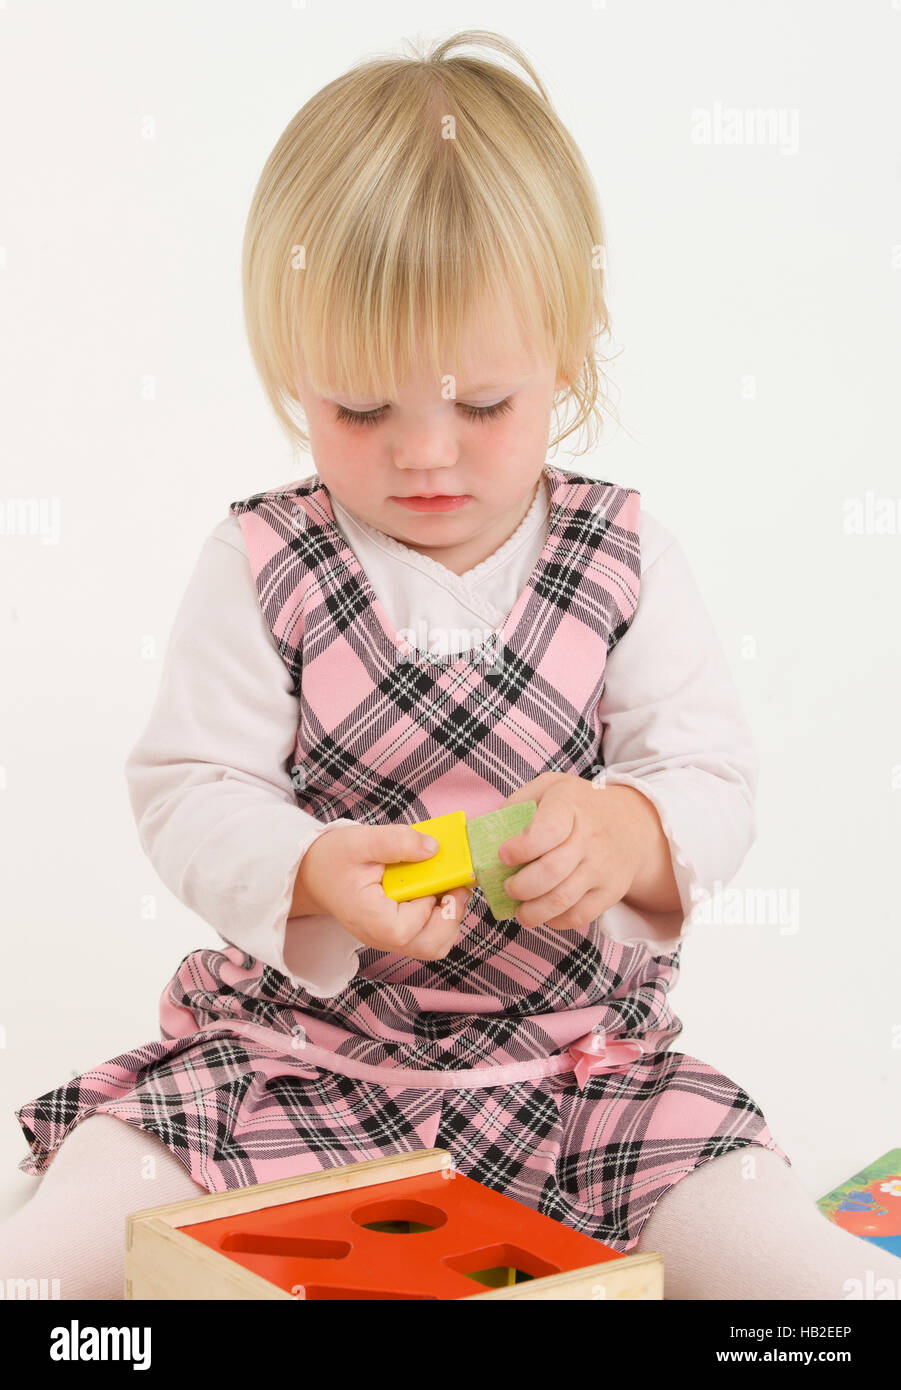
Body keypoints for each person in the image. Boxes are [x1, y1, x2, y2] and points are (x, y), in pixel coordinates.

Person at [5, 29, 898, 1302]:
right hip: (300, 1056)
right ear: (292, 375)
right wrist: (308, 867)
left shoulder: (621, 552)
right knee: (92, 1213)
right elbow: (190, 788)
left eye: (483, 407)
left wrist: (628, 830)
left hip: (578, 1076)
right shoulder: (266, 560)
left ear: (568, 357)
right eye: (359, 410)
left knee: (774, 1248)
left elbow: (710, 775)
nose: (426, 456)